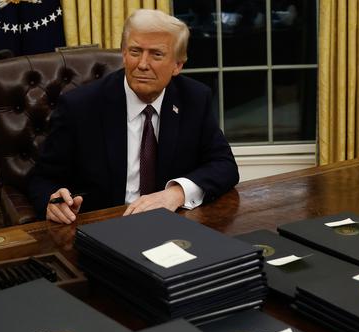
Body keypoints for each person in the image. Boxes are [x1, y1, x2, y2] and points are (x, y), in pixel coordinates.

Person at [27, 9, 239, 224]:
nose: (143, 64)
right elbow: (42, 178)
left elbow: (224, 165)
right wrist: (52, 202)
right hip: (104, 225)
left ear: (177, 65)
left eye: (157, 54)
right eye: (135, 51)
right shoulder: (80, 106)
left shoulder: (194, 98)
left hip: (173, 222)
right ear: (124, 54)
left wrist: (176, 193)